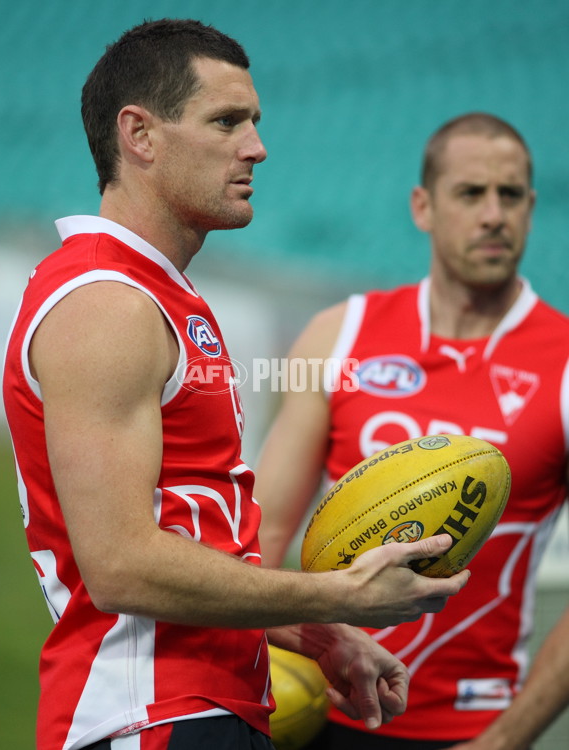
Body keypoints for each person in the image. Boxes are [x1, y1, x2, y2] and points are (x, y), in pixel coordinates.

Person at [1, 19, 470, 750]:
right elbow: (121, 565)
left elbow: (188, 538)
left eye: (254, 121)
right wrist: (340, 595)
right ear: (140, 135)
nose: (257, 146)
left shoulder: (154, 294)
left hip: (203, 708)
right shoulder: (107, 305)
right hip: (148, 718)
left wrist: (317, 633)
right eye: (226, 121)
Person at [256, 112, 569, 749]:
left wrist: (506, 741)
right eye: (470, 192)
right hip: (324, 710)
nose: (493, 215)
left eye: (510, 195)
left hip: (471, 728)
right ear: (422, 207)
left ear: (532, 210)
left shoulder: (563, 362)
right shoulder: (338, 335)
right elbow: (257, 535)